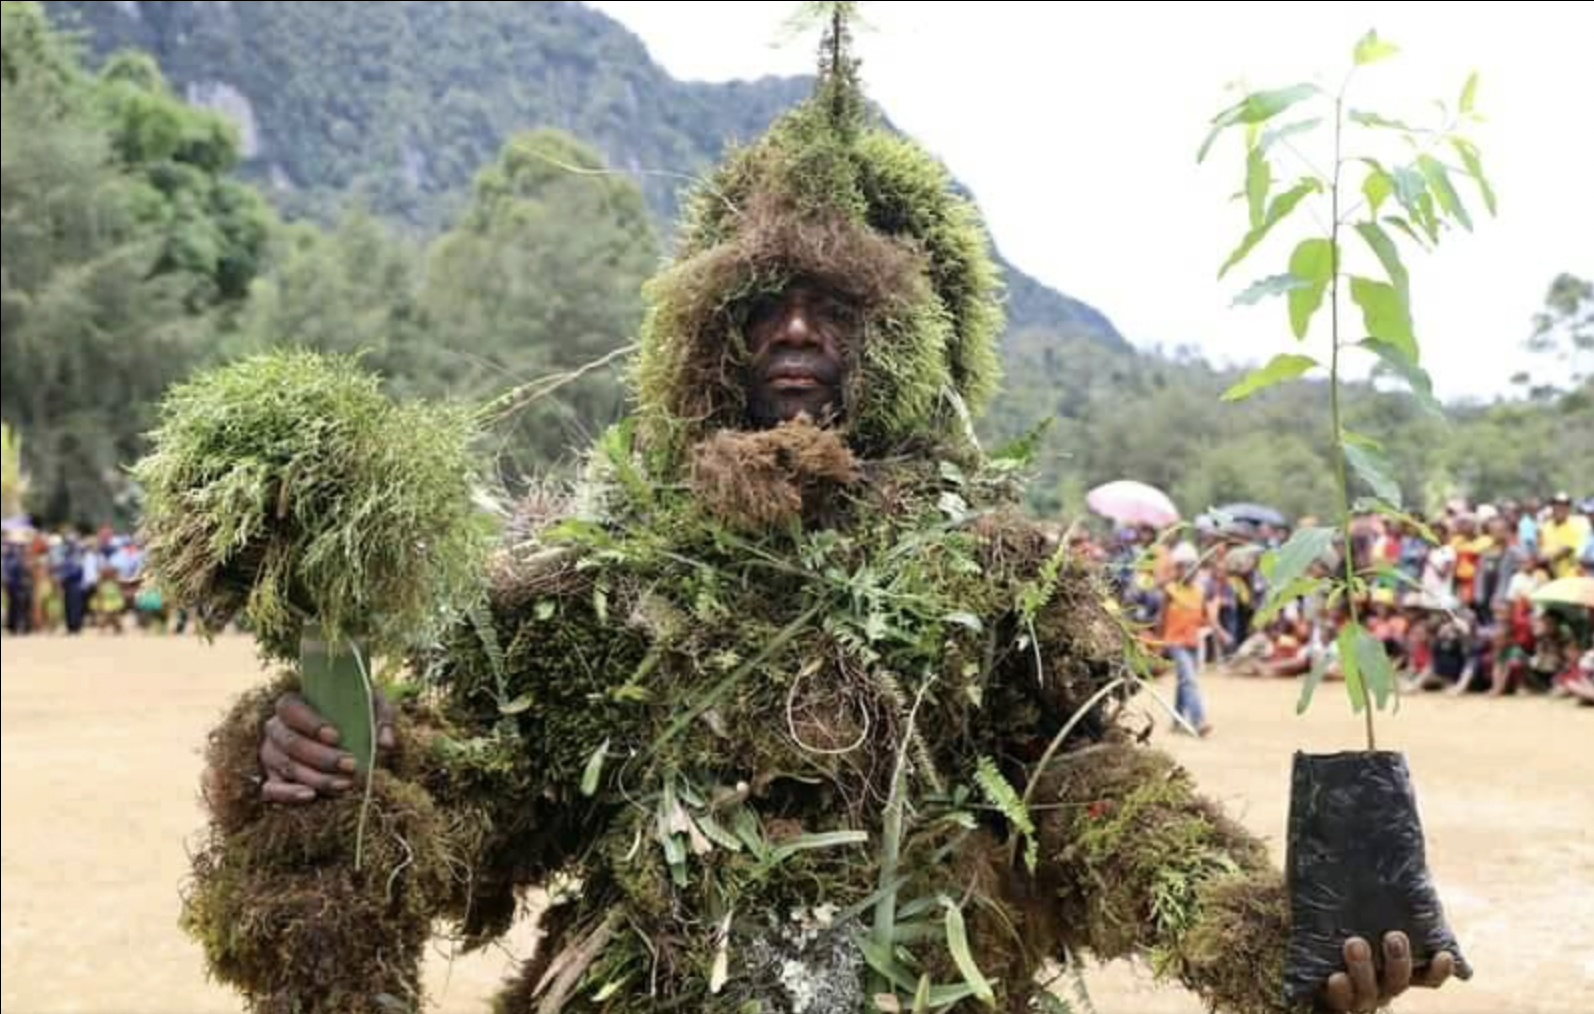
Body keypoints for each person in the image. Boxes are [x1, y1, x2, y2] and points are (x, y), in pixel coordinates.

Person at [200, 27, 1453, 1014]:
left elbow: (1084, 791)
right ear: (705, 332)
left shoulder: (994, 568)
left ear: (907, 335)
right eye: (762, 302)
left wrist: (1250, 930)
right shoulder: (598, 574)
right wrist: (334, 769)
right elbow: (485, 806)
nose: (795, 330)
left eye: (837, 305)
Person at [1160, 541, 1213, 736]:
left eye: (1192, 566)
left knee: (1184, 681)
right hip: (1175, 642)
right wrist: (1158, 645)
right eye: (1184, 566)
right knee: (1189, 680)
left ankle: (1177, 720)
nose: (1188, 570)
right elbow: (1162, 617)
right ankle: (1199, 721)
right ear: (1177, 568)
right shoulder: (1170, 590)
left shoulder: (1200, 592)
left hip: (1192, 642)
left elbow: (1205, 617)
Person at [1539, 492, 1589, 579]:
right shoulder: (1546, 527)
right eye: (1557, 505)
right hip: (1550, 577)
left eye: (1564, 505)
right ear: (1552, 506)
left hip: (1572, 577)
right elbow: (1541, 550)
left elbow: (1567, 549)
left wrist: (1548, 557)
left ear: (1568, 508)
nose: (1561, 508)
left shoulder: (1576, 525)